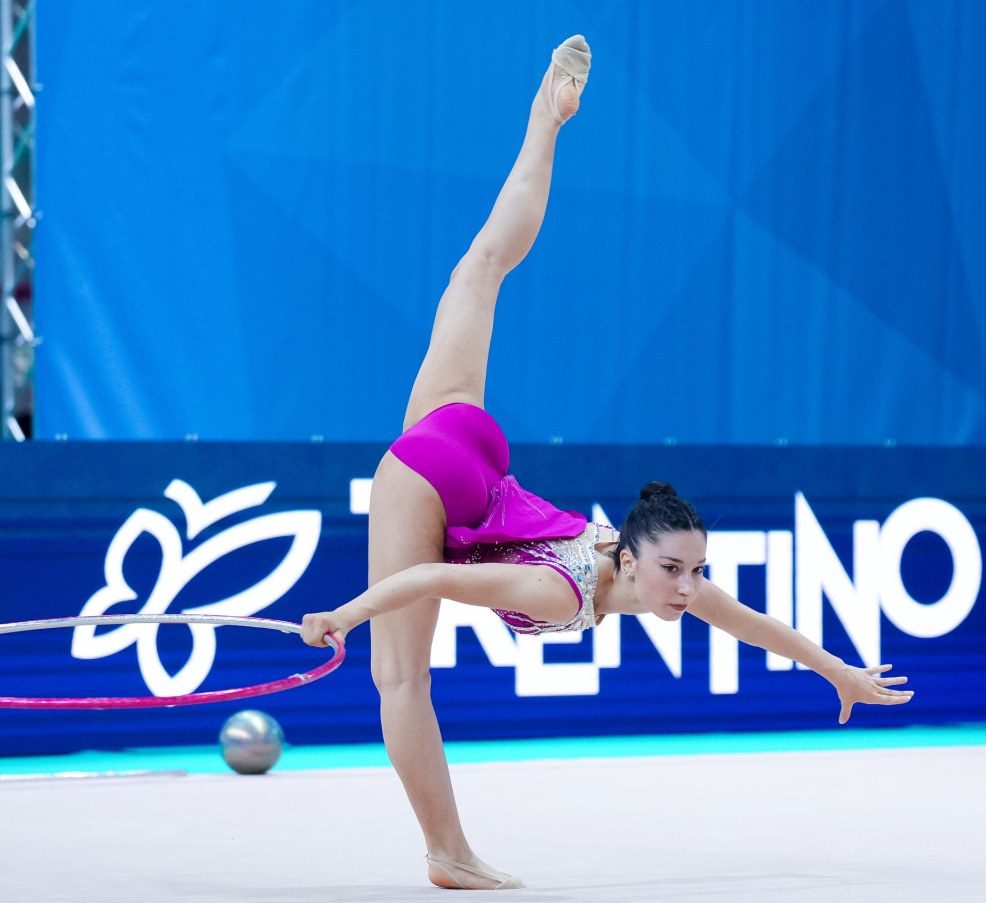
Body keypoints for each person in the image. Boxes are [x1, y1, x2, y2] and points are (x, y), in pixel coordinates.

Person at [300, 35, 914, 891]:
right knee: (400, 676)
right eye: (676, 572)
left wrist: (836, 670)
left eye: (695, 572)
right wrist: (346, 612)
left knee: (482, 268)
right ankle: (448, 852)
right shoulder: (562, 591)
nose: (690, 589)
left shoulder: (653, 577)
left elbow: (750, 622)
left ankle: (546, 118)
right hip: (432, 479)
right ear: (628, 557)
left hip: (473, 448)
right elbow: (431, 577)